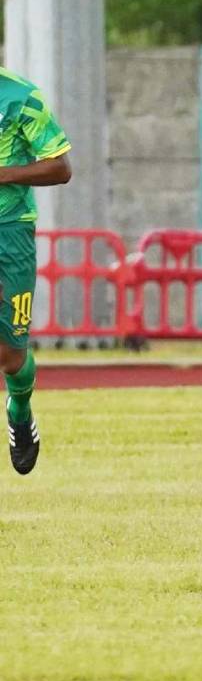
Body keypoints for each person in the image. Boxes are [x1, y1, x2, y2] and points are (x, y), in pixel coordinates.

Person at [0, 66, 73, 475]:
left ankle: (20, 408)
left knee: (10, 358)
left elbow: (60, 167)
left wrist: (3, 175)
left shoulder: (21, 96)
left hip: (9, 231)